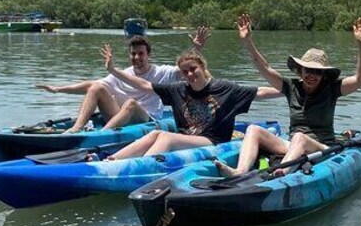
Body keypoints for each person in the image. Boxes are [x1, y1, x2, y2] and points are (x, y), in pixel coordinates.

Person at [215, 14, 361, 178]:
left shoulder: (331, 89)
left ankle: (281, 173)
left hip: (322, 147)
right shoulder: (291, 87)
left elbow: (360, 79)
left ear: (324, 75)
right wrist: (248, 43)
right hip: (292, 146)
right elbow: (265, 68)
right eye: (308, 70)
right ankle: (239, 172)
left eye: (317, 71)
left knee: (300, 137)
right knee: (253, 129)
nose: (312, 75)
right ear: (300, 70)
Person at [100, 46, 281, 160]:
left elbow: (261, 92)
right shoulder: (178, 89)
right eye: (185, 72)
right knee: (155, 134)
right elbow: (144, 85)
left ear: (202, 67)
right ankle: (112, 160)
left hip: (212, 142)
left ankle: (141, 164)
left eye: (193, 69)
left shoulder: (224, 88)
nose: (190, 74)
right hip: (186, 139)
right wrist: (113, 70)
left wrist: (291, 90)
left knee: (165, 136)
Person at [36, 27, 209, 133]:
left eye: (141, 54)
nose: (137, 57)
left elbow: (188, 69)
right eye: (133, 54)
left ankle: (100, 135)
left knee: (131, 103)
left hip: (147, 118)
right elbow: (90, 85)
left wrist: (197, 49)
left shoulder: (163, 72)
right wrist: (58, 89)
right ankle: (77, 128)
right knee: (96, 87)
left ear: (148, 55)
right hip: (119, 116)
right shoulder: (123, 73)